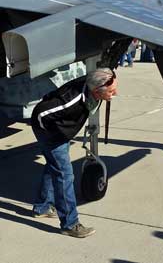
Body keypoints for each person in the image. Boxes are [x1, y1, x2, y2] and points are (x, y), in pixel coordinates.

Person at [31, 68, 118, 237]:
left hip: (59, 132)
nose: (115, 93)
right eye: (112, 91)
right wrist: (52, 138)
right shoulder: (73, 100)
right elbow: (42, 113)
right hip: (49, 132)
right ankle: (70, 224)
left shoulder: (93, 89)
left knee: (53, 166)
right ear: (97, 91)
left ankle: (42, 207)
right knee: (65, 176)